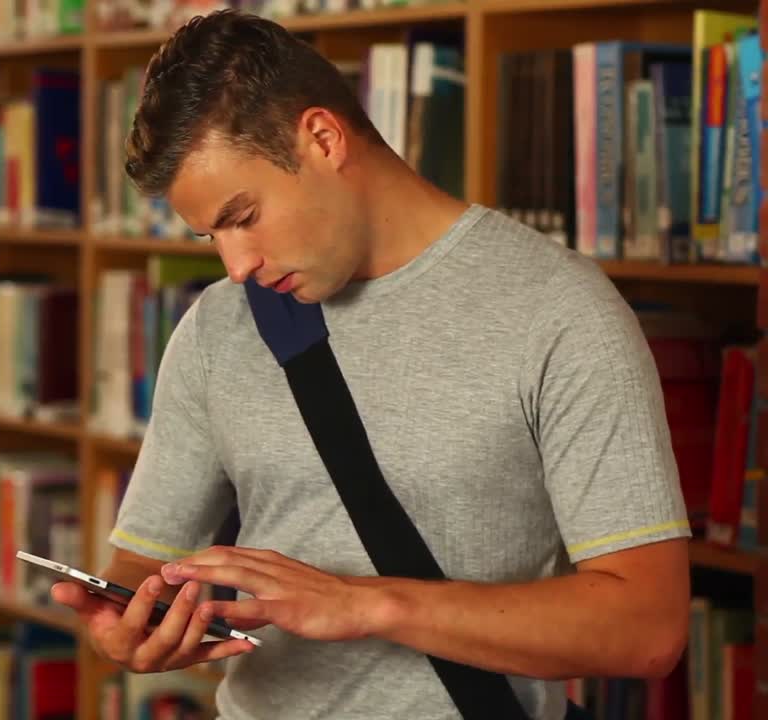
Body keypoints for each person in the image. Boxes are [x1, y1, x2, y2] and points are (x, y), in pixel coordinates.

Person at [50, 8, 691, 720]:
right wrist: (130, 628)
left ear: (322, 138)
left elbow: (648, 629)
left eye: (243, 216)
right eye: (211, 235)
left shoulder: (560, 311)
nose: (236, 267)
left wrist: (366, 604)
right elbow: (143, 564)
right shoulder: (218, 329)